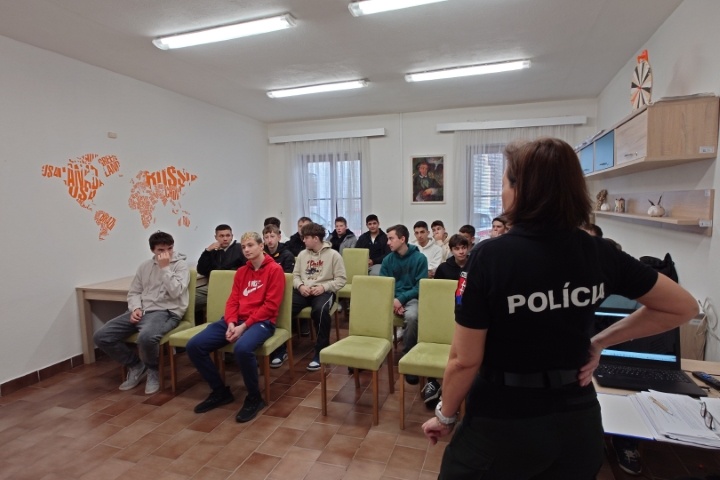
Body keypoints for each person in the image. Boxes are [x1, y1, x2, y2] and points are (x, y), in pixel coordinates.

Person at [422, 137, 698, 479]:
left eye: (505, 183)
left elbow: (464, 359)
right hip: (577, 426)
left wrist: (445, 415)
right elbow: (682, 307)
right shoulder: (599, 251)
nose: (501, 193)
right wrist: (600, 342)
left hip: (503, 425)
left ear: (523, 190)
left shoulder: (489, 257)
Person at [186, 232, 285, 423]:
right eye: (243, 247)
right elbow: (232, 300)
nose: (246, 250)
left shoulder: (275, 270)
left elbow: (270, 306)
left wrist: (244, 327)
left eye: (250, 245)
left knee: (242, 348)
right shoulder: (241, 272)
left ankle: (254, 398)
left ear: (261, 246)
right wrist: (231, 322)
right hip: (235, 320)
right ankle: (220, 391)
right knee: (194, 345)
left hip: (262, 322)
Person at [93, 231, 189, 395]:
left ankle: (153, 370)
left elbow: (176, 292)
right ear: (153, 250)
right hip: (143, 310)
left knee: (146, 337)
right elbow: (134, 292)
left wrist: (165, 268)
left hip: (166, 311)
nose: (166, 253)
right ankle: (136, 365)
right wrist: (136, 308)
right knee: (102, 336)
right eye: (161, 250)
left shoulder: (180, 266)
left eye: (170, 248)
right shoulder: (144, 267)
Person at [421, 233, 470, 408]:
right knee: (437, 345)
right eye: (457, 248)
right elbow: (437, 292)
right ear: (451, 250)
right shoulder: (444, 268)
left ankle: (458, 387)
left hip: (467, 312)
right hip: (444, 311)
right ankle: (433, 382)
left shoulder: (475, 265)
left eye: (464, 248)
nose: (461, 251)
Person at [292, 222, 346, 371]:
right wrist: (300, 286)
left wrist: (324, 287)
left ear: (316, 238)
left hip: (324, 291)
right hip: (304, 290)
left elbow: (341, 280)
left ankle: (320, 351)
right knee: (284, 307)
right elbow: (295, 276)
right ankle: (280, 349)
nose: (303, 240)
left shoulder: (333, 255)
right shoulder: (302, 255)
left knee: (320, 310)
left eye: (306, 238)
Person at [380, 224, 428, 385]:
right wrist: (394, 300)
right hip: (391, 298)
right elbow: (384, 284)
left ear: (402, 239)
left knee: (412, 317)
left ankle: (409, 359)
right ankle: (370, 354)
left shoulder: (419, 259)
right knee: (370, 313)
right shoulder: (388, 260)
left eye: (391, 238)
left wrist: (401, 299)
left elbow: (420, 286)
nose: (388, 242)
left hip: (411, 298)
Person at [195, 224, 246, 321]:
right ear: (216, 237)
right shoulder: (213, 251)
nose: (225, 239)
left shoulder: (240, 249)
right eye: (221, 236)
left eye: (228, 235)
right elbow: (201, 269)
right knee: (192, 298)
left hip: (233, 288)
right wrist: (207, 251)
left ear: (232, 236)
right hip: (213, 287)